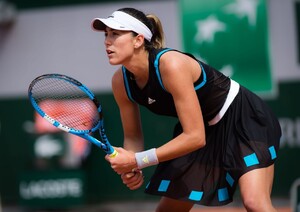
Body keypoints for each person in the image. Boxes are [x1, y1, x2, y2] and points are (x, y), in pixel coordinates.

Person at [91, 7, 281, 212]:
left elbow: (195, 137)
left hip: (242, 117)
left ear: (138, 40)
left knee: (255, 203)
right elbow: (133, 136)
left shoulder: (171, 65)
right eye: (106, 35)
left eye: (116, 34)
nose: (107, 41)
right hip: (204, 126)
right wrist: (131, 164)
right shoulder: (120, 82)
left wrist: (138, 159)